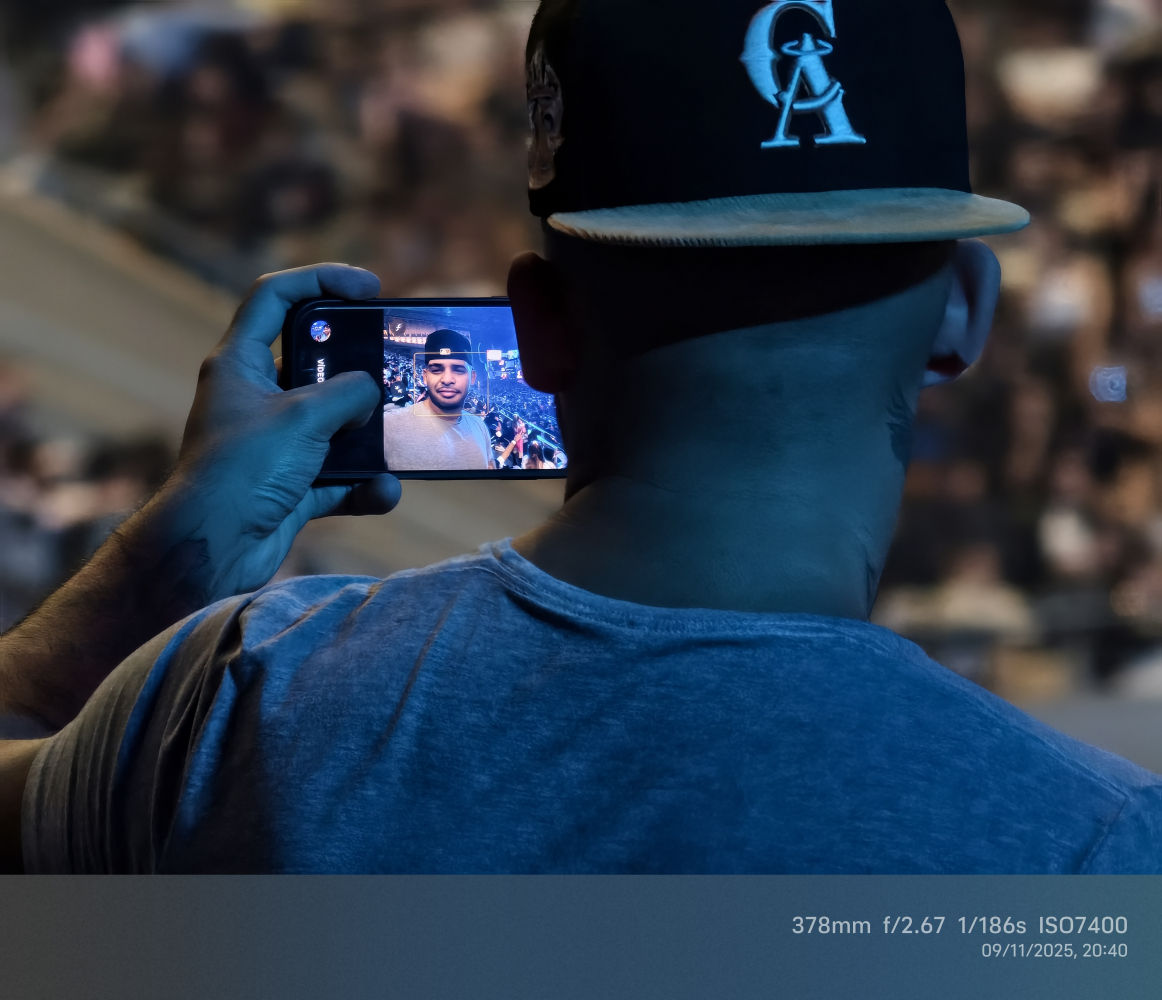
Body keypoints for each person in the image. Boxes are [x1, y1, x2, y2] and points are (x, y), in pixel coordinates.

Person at [5, 0, 1162, 872]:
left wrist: (158, 569)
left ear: (538, 326)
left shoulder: (239, 703)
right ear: (964, 309)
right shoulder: (1101, 850)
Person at [382, 329, 494, 471]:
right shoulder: (388, 425)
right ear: (425, 376)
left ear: (472, 377)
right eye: (436, 370)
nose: (447, 379)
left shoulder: (479, 426)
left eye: (458, 370)